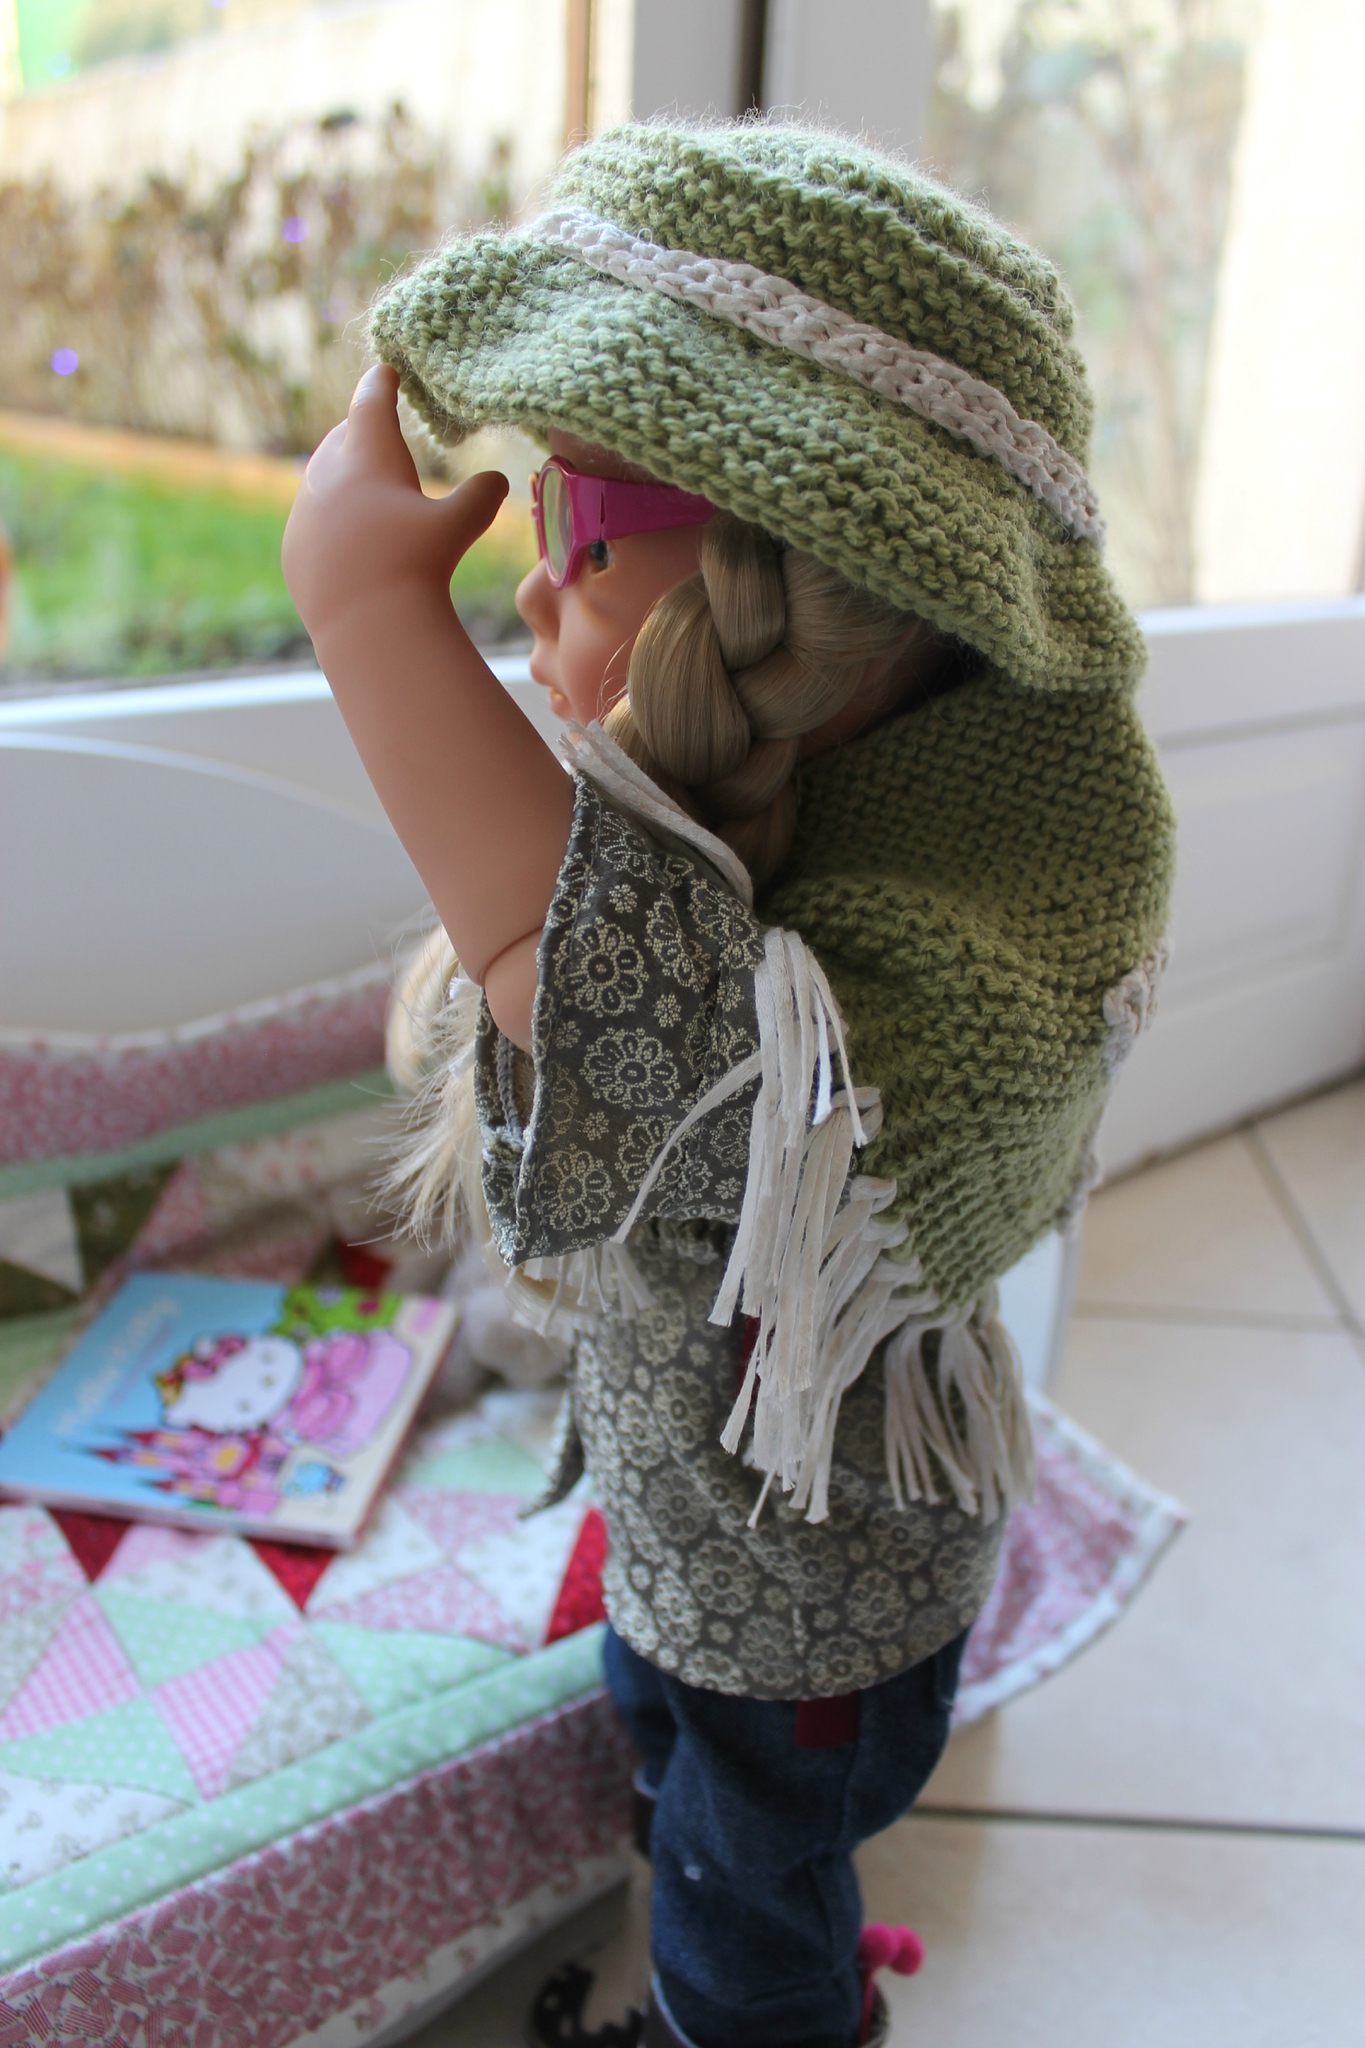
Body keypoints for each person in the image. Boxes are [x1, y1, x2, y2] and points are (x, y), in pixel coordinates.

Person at [283, 122, 1173, 2048]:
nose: (531, 594)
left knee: (739, 1899)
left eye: (578, 531)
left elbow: (610, 1018)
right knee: (661, 1747)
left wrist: (369, 626)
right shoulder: (749, 806)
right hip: (696, 1525)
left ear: (806, 597)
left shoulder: (894, 990)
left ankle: (777, 2015)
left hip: (819, 1612)